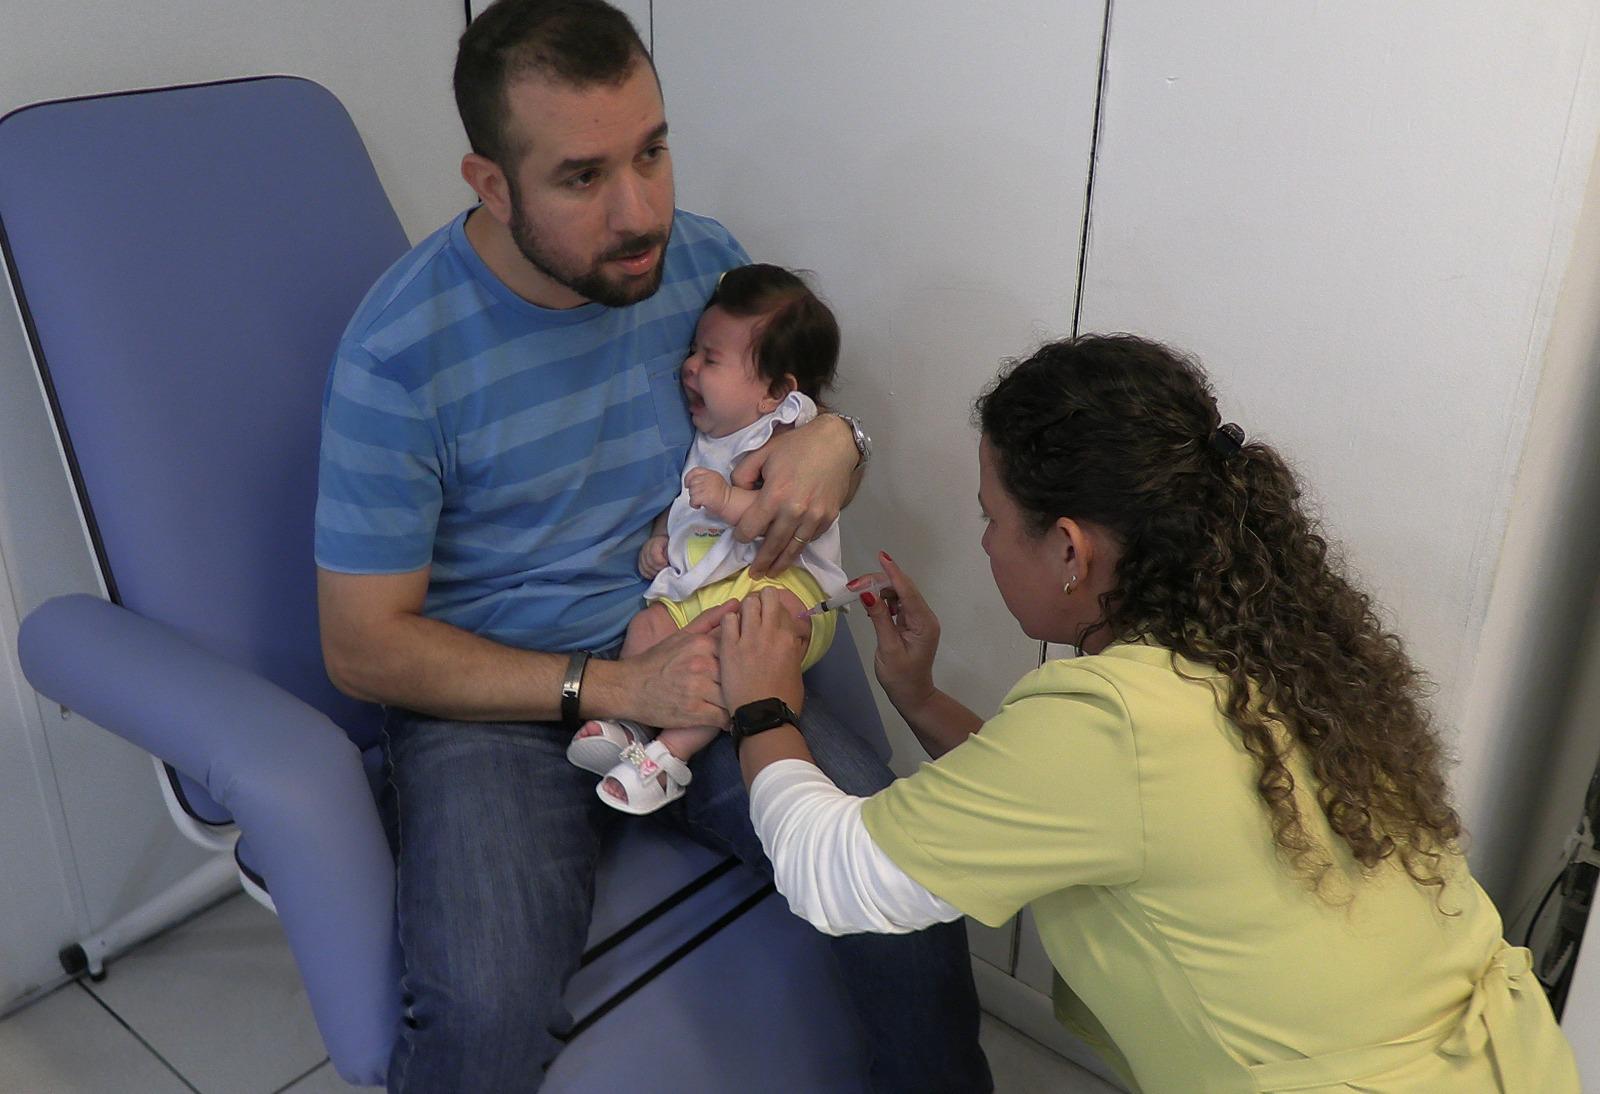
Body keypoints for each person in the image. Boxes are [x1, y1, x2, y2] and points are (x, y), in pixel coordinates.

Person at [313, 1, 990, 1091]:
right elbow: (362, 647)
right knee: (482, 1010)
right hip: (499, 698)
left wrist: (838, 439)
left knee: (898, 871)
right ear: (490, 184)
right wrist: (617, 678)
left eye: (654, 151)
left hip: (705, 652)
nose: (641, 211)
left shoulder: (702, 266)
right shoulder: (398, 355)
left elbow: (781, 432)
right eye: (583, 176)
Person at [717, 334, 1582, 1093]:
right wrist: (920, 695)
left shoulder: (1112, 721)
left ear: (1068, 550)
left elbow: (834, 876)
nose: (981, 542)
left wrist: (763, 705)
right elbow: (1089, 809)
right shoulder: (1274, 645)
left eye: (991, 517)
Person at [569, 263, 855, 813]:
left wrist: (726, 500)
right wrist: (661, 537)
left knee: (732, 651)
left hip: (782, 592)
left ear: (775, 392)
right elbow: (682, 508)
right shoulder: (710, 436)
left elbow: (780, 518)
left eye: (711, 359)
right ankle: (632, 723)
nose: (689, 367)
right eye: (694, 350)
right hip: (708, 587)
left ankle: (668, 760)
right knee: (648, 624)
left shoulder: (786, 432)